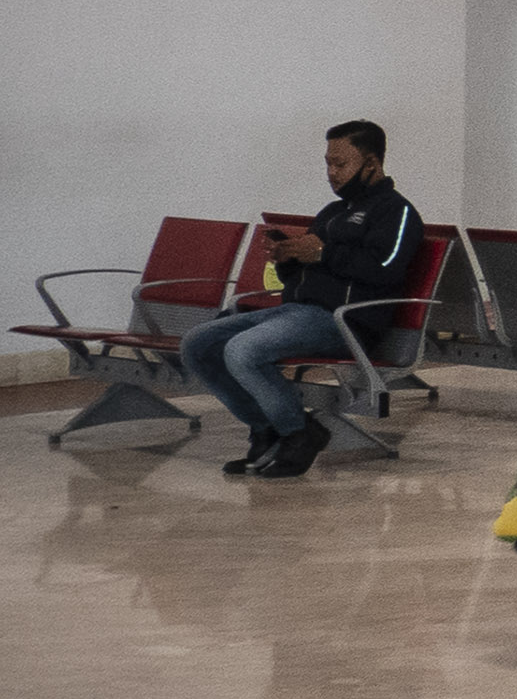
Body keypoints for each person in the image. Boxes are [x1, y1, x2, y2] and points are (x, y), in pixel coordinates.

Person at [179, 119, 423, 479]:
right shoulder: (331, 213)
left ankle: (297, 433)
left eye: (341, 164)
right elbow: (307, 275)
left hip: (345, 321)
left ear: (372, 164)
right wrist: (288, 259)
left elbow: (385, 269)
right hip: (297, 313)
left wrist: (322, 253)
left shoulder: (397, 212)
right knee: (197, 343)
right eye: (328, 163)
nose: (332, 173)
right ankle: (266, 430)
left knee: (242, 351)